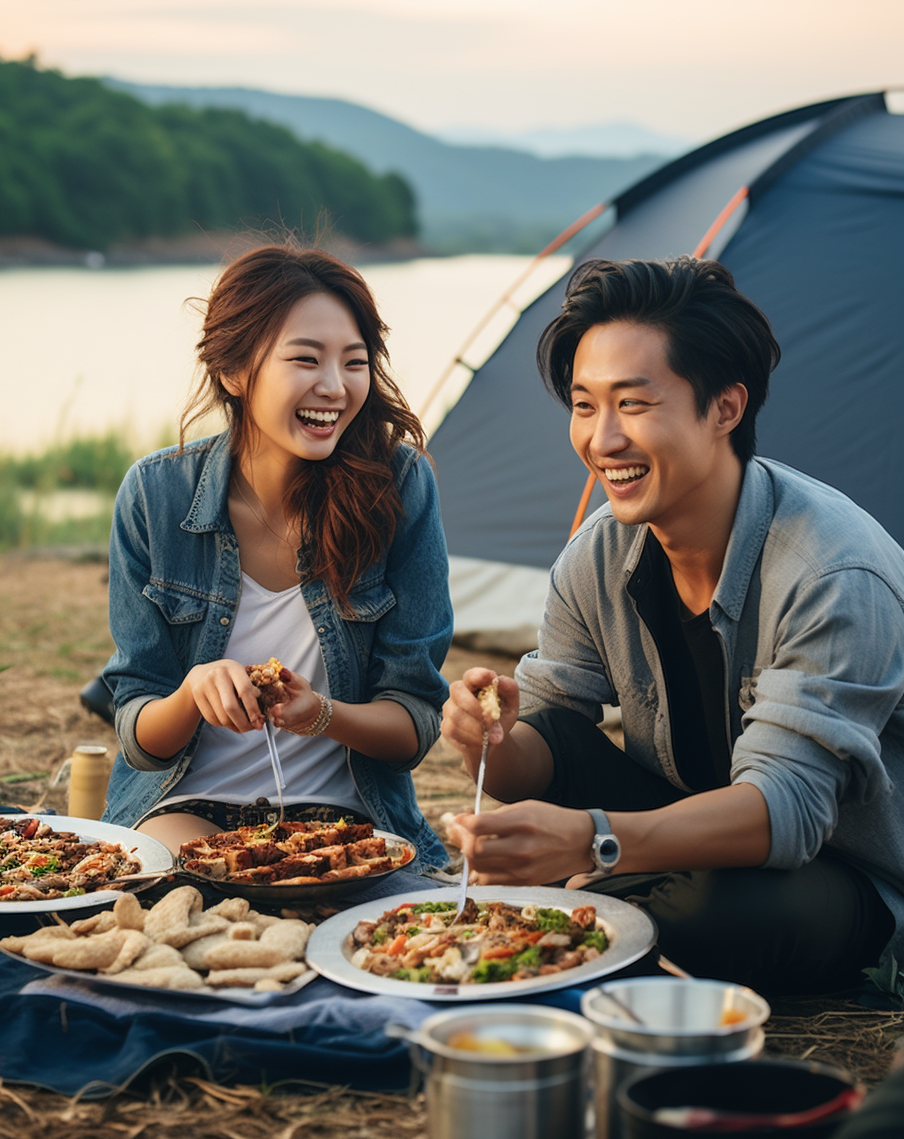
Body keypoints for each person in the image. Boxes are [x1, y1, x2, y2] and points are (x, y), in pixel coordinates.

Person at [442, 255, 904, 994]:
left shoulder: (832, 572)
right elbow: (546, 742)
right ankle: (611, 908)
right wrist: (489, 742)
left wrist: (595, 841)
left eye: (633, 403)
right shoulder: (599, 552)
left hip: (848, 870)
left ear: (725, 408)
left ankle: (602, 908)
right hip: (688, 829)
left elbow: (785, 810)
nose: (603, 440)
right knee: (555, 737)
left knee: (713, 912)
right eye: (584, 405)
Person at [102, 240, 453, 870]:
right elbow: (140, 740)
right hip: (183, 809)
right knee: (194, 898)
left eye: (354, 361)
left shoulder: (398, 487)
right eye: (305, 359)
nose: (335, 387)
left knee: (344, 923)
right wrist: (192, 692)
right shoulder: (155, 496)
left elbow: (413, 726)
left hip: (348, 822)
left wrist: (321, 715)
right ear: (236, 372)